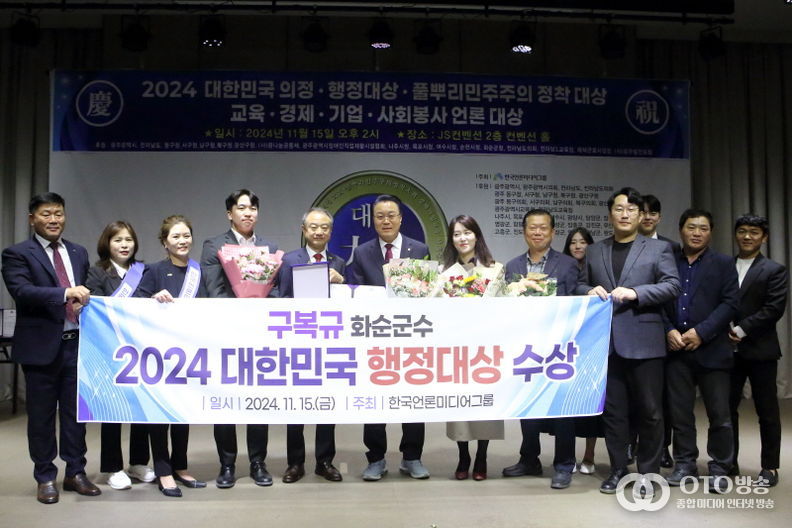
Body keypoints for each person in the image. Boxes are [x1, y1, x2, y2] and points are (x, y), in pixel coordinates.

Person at [575, 187, 681, 494]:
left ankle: (648, 474)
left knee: (650, 412)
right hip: (605, 344)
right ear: (610, 214)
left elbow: (672, 285)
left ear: (640, 215)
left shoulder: (658, 249)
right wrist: (587, 290)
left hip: (645, 342)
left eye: (631, 209)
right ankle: (618, 469)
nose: (625, 214)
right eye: (619, 209)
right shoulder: (595, 250)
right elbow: (580, 284)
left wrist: (636, 293)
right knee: (613, 413)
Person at [1, 192, 101, 504]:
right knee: (41, 417)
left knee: (75, 416)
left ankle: (75, 472)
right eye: (46, 214)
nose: (54, 220)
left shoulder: (78, 251)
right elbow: (22, 291)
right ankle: (45, 476)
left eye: (58, 213)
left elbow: (87, 290)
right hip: (40, 348)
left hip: (77, 346)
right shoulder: (17, 253)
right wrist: (64, 293)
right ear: (32, 219)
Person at [346, 194, 431, 481]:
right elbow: (357, 294)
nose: (386, 220)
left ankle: (412, 457)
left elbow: (427, 293)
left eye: (391, 215)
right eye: (380, 216)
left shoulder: (419, 249)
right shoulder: (362, 252)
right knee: (374, 401)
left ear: (401, 218)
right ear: (373, 220)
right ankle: (376, 459)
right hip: (376, 338)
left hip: (411, 337)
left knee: (413, 399)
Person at [201, 189, 278, 488]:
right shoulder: (214, 245)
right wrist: (241, 312)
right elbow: (214, 289)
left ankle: (258, 462)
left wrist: (262, 309)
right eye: (242, 208)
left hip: (259, 334)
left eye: (253, 208)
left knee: (258, 400)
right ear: (229, 213)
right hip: (226, 332)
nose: (248, 213)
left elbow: (275, 290)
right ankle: (227, 464)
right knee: (226, 401)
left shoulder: (269, 247)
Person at [501, 209, 579, 489]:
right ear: (524, 232)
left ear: (553, 232)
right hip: (527, 348)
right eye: (532, 228)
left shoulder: (568, 265)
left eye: (543, 228)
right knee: (528, 405)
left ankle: (564, 464)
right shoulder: (512, 266)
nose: (537, 232)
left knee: (563, 408)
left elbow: (576, 304)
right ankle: (529, 459)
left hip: (560, 347)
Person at [664, 209, 738, 493]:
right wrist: (669, 330)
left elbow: (730, 304)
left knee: (719, 414)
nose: (697, 233)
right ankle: (685, 464)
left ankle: (720, 467)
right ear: (681, 229)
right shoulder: (668, 261)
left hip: (713, 350)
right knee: (680, 414)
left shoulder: (723, 263)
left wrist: (701, 333)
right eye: (691, 227)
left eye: (703, 228)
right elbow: (659, 301)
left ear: (711, 233)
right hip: (676, 350)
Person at [136, 215, 207, 497]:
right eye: (175, 236)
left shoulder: (199, 272)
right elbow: (134, 305)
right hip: (159, 353)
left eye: (186, 235)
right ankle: (163, 470)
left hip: (189, 352)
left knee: (182, 412)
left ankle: (180, 466)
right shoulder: (154, 270)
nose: (182, 241)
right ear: (165, 242)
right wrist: (153, 299)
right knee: (160, 414)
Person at [276, 207, 345, 483]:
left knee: (327, 404)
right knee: (296, 404)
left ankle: (325, 461)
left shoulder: (339, 262)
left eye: (324, 227)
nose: (319, 232)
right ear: (304, 230)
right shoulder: (289, 260)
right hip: (297, 342)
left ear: (331, 231)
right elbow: (281, 298)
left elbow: (348, 304)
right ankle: (295, 462)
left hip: (329, 344)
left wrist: (342, 282)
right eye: (313, 227)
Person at [85, 221, 154, 490]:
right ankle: (111, 467)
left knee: (141, 407)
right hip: (110, 349)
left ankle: (138, 462)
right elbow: (96, 309)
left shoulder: (143, 271)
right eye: (118, 240)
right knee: (112, 409)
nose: (124, 245)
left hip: (140, 349)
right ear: (107, 243)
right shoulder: (97, 272)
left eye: (128, 240)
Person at [441, 215, 505, 482]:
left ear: (477, 235)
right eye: (457, 234)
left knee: (484, 405)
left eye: (467, 232)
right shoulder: (444, 273)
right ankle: (463, 455)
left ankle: (482, 455)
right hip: (457, 350)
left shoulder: (495, 269)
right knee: (460, 407)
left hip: (486, 350)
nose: (462, 238)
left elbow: (505, 308)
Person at [728, 214, 788, 488]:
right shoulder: (724, 266)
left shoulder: (774, 269)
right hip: (727, 349)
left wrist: (741, 329)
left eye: (754, 232)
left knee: (767, 411)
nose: (747, 236)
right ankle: (728, 461)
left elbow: (773, 309)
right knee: (726, 409)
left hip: (760, 349)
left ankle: (770, 466)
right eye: (742, 231)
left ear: (764, 238)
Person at [562, 227, 602, 475]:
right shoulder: (563, 268)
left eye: (583, 242)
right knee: (567, 404)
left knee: (590, 400)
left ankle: (589, 454)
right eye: (573, 242)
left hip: (591, 342)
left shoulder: (598, 267)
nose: (578, 246)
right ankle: (567, 457)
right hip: (566, 344)